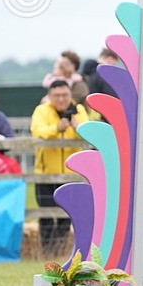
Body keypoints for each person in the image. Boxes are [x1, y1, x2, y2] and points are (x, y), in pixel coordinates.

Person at [31, 80, 90, 253]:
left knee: (67, 216)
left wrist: (77, 126)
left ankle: (62, 251)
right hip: (45, 173)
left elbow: (88, 132)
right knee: (46, 216)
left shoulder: (78, 111)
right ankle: (47, 251)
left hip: (71, 174)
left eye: (65, 95)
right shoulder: (41, 111)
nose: (61, 99)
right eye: (57, 95)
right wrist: (57, 128)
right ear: (49, 96)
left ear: (70, 95)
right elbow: (37, 131)